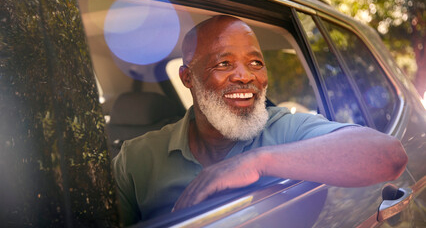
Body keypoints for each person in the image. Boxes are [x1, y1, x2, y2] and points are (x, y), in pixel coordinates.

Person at [112, 15, 407, 225]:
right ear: (188, 77)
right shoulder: (135, 160)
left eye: (255, 62)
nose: (245, 75)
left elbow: (390, 156)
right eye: (224, 63)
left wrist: (255, 162)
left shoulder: (285, 128)